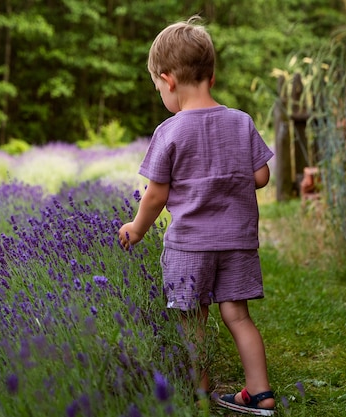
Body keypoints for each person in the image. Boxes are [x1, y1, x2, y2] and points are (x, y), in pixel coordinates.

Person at [118, 16, 276, 416]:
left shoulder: (170, 131)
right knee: (238, 315)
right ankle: (260, 393)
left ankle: (200, 394)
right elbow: (261, 176)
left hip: (191, 245)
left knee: (193, 320)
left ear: (168, 80)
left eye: (158, 88)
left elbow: (156, 194)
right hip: (238, 240)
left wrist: (137, 229)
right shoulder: (241, 122)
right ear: (213, 75)